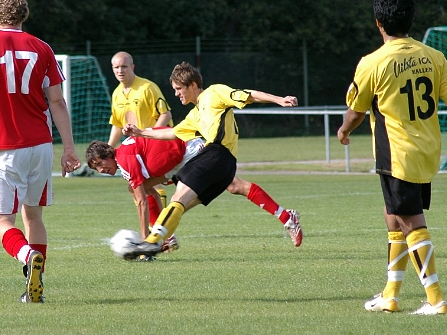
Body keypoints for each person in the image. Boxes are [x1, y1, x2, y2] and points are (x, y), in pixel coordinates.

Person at [337, 0, 447, 315]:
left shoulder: (372, 62)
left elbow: (356, 110)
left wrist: (344, 130)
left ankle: (436, 300)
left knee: (410, 221)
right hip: (426, 151)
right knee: (392, 215)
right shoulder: (433, 56)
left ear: (379, 23)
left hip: (396, 153)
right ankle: (390, 295)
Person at [0, 0, 81, 304]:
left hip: (3, 146)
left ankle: (27, 256)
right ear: (24, 15)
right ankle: (34, 290)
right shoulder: (42, 48)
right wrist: (68, 148)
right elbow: (57, 100)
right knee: (34, 217)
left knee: (1, 220)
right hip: (40, 145)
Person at [120, 62, 300, 259]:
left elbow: (247, 94)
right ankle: (156, 244)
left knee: (178, 199)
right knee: (181, 204)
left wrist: (279, 100)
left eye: (179, 89)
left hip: (217, 154)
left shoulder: (213, 93)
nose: (176, 94)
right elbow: (172, 133)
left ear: (193, 85)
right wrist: (140, 132)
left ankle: (151, 244)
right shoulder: (195, 114)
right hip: (224, 167)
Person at [85, 137, 302, 248]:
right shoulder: (125, 158)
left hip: (190, 152)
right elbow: (152, 181)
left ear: (109, 153)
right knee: (234, 186)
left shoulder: (125, 159)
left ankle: (157, 239)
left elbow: (142, 202)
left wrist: (143, 239)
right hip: (179, 160)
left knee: (232, 185)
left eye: (101, 163)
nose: (102, 170)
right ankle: (164, 237)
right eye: (97, 169)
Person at [107, 51, 173, 218]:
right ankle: (158, 228)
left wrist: (152, 138)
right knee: (140, 188)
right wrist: (109, 148)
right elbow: (117, 124)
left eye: (124, 66)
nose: (120, 70)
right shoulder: (116, 94)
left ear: (132, 67)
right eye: (116, 67)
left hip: (159, 145)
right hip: (138, 150)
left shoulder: (147, 88)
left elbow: (165, 115)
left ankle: (160, 229)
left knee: (147, 187)